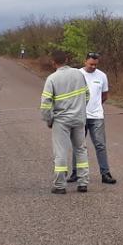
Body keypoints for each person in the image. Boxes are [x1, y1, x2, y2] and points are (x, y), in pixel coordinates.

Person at [40, 50, 90, 194]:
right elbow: (87, 94)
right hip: (79, 118)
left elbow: (45, 104)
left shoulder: (52, 79)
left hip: (61, 120)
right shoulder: (79, 74)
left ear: (53, 62)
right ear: (67, 59)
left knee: (61, 152)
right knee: (81, 149)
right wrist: (80, 109)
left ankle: (60, 185)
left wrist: (49, 119)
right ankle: (83, 183)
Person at [68, 52, 117, 184]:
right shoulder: (76, 74)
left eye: (95, 65)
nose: (93, 67)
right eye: (91, 64)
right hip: (80, 116)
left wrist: (96, 106)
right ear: (85, 62)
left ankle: (105, 173)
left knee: (100, 145)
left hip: (96, 116)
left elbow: (104, 95)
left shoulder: (102, 76)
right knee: (78, 145)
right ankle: (75, 172)